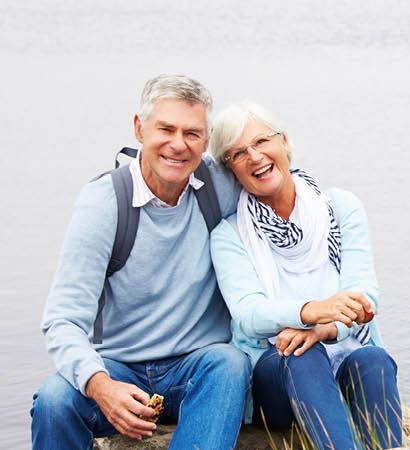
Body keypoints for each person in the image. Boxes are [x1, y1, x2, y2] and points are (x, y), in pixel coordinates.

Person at [31, 75, 248, 450]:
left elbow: (283, 188)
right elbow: (63, 319)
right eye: (166, 129)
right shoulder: (104, 203)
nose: (178, 145)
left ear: (207, 140)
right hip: (119, 369)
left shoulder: (219, 187)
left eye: (192, 133)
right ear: (139, 128)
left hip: (196, 370)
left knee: (229, 363)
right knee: (54, 400)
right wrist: (101, 386)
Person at [208, 101, 402, 450]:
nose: (254, 156)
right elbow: (249, 315)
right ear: (230, 169)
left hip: (342, 345)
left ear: (283, 142)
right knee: (300, 353)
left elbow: (365, 297)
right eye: (238, 153)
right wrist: (310, 311)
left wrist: (324, 329)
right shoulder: (229, 235)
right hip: (275, 373)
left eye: (262, 141)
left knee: (373, 360)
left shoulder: (341, 208)